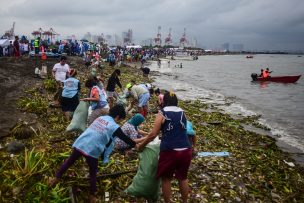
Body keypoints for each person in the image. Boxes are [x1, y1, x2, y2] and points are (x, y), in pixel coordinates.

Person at [49, 105, 137, 203]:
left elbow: (100, 134)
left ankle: (55, 178)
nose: (119, 122)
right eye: (120, 120)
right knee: (93, 172)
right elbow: (125, 139)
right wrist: (135, 144)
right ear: (117, 117)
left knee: (69, 161)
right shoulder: (114, 126)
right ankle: (92, 196)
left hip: (81, 143)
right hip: (92, 149)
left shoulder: (100, 118)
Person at [137, 91, 192, 203]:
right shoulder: (182, 112)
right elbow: (182, 130)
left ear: (164, 101)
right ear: (176, 101)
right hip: (186, 149)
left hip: (170, 151)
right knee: (183, 177)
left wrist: (141, 146)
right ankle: (185, 201)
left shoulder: (162, 112)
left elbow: (153, 134)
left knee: (166, 178)